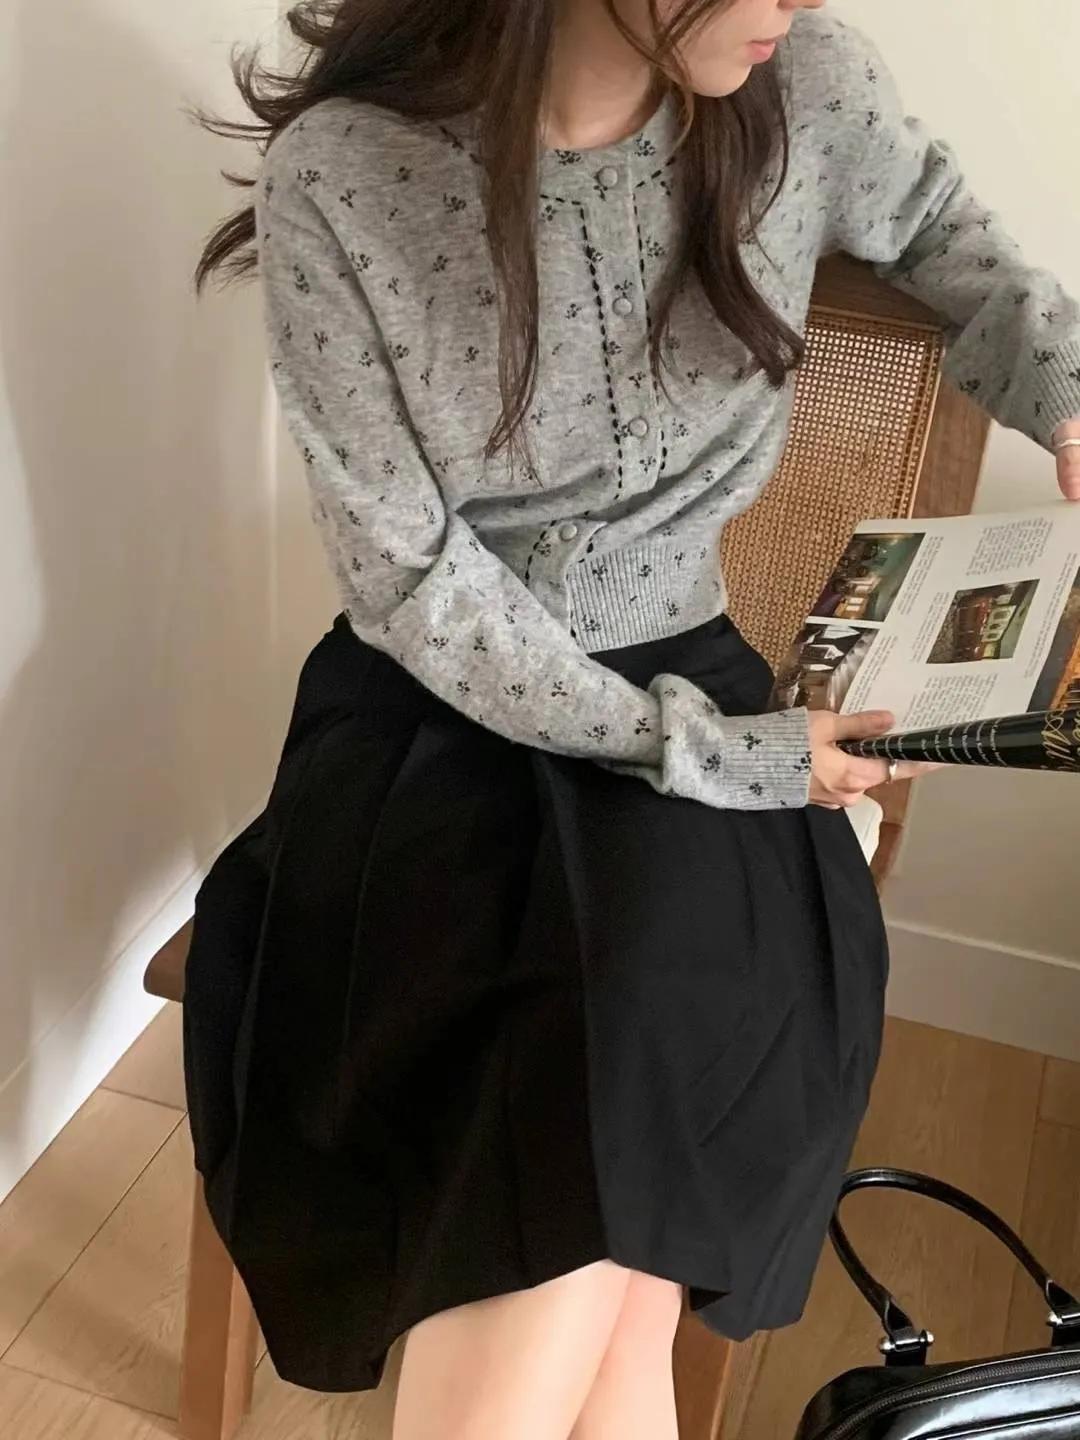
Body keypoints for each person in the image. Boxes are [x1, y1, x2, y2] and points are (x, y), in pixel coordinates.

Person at [186, 1, 1080, 1436]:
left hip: (702, 692)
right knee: (607, 1187)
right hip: (431, 727)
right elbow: (411, 580)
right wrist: (709, 755)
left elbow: (946, 240)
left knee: (620, 1113)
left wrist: (1068, 401)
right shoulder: (348, 176)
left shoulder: (805, 86)